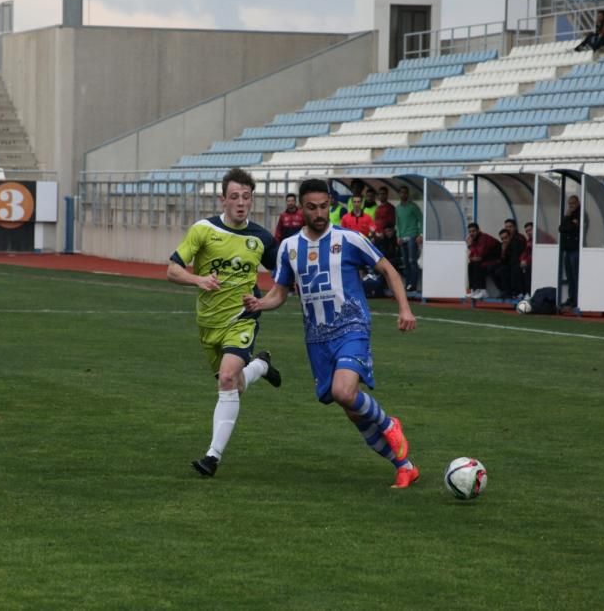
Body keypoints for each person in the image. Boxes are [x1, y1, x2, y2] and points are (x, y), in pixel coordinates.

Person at [242, 178, 420, 489]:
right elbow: (280, 293)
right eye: (312, 207)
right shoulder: (289, 247)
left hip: (352, 326)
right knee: (352, 411)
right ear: (301, 209)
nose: (320, 213)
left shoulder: (349, 239)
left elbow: (389, 270)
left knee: (343, 392)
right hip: (317, 339)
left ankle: (389, 423)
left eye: (324, 206)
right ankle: (404, 465)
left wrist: (404, 309)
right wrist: (260, 303)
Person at [167, 167, 283, 478]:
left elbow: (283, 279)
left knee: (227, 379)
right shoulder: (203, 231)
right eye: (234, 197)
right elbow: (173, 270)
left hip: (242, 319)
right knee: (235, 383)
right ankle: (260, 367)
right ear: (222, 199)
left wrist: (262, 302)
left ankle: (212, 457)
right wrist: (198, 279)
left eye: (246, 197)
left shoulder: (261, 238)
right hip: (208, 323)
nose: (241, 203)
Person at [395, 185, 423, 291]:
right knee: (405, 263)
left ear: (408, 194)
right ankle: (407, 284)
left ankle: (413, 285)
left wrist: (420, 234)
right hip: (402, 238)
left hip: (412, 236)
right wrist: (398, 236)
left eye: (405, 192)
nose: (403, 194)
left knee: (412, 261)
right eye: (401, 192)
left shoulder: (413, 207)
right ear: (399, 194)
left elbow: (421, 219)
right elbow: (397, 223)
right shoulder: (398, 208)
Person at [466, 222, 501, 300]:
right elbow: (472, 256)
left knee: (478, 264)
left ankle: (483, 291)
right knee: (471, 265)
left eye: (473, 231)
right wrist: (473, 256)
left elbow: (479, 256)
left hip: (497, 260)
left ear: (478, 231)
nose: (471, 233)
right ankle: (474, 289)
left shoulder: (483, 238)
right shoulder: (475, 240)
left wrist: (470, 246)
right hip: (487, 259)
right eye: (470, 232)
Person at [494, 219, 526, 300]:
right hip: (510, 264)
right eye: (506, 227)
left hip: (519, 263)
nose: (508, 228)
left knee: (513, 268)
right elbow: (503, 259)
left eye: (510, 227)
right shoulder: (505, 241)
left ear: (515, 227)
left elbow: (517, 255)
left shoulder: (519, 238)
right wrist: (503, 251)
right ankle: (505, 291)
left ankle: (516, 292)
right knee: (495, 269)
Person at [559, 195, 582, 308]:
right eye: (569, 204)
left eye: (573, 203)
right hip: (568, 250)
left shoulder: (581, 214)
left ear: (578, 203)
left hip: (575, 249)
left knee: (575, 275)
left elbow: (570, 228)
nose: (571, 206)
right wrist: (567, 218)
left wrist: (568, 219)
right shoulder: (569, 215)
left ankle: (577, 299)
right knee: (569, 276)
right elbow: (561, 228)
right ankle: (571, 298)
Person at [373, 186, 397, 262]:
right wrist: (375, 234)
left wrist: (384, 233)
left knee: (384, 257)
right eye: (380, 194)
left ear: (387, 195)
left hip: (386, 237)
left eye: (383, 194)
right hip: (377, 236)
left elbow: (391, 222)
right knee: (376, 257)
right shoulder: (378, 208)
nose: (381, 196)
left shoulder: (390, 207)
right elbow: (376, 221)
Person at [520, 221, 534, 297]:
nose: (528, 232)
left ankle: (529, 293)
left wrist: (527, 261)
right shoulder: (529, 240)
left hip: (540, 263)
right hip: (530, 263)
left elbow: (536, 254)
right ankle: (524, 293)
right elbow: (525, 253)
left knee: (527, 269)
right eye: (527, 231)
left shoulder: (541, 239)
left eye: (530, 230)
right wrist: (522, 260)